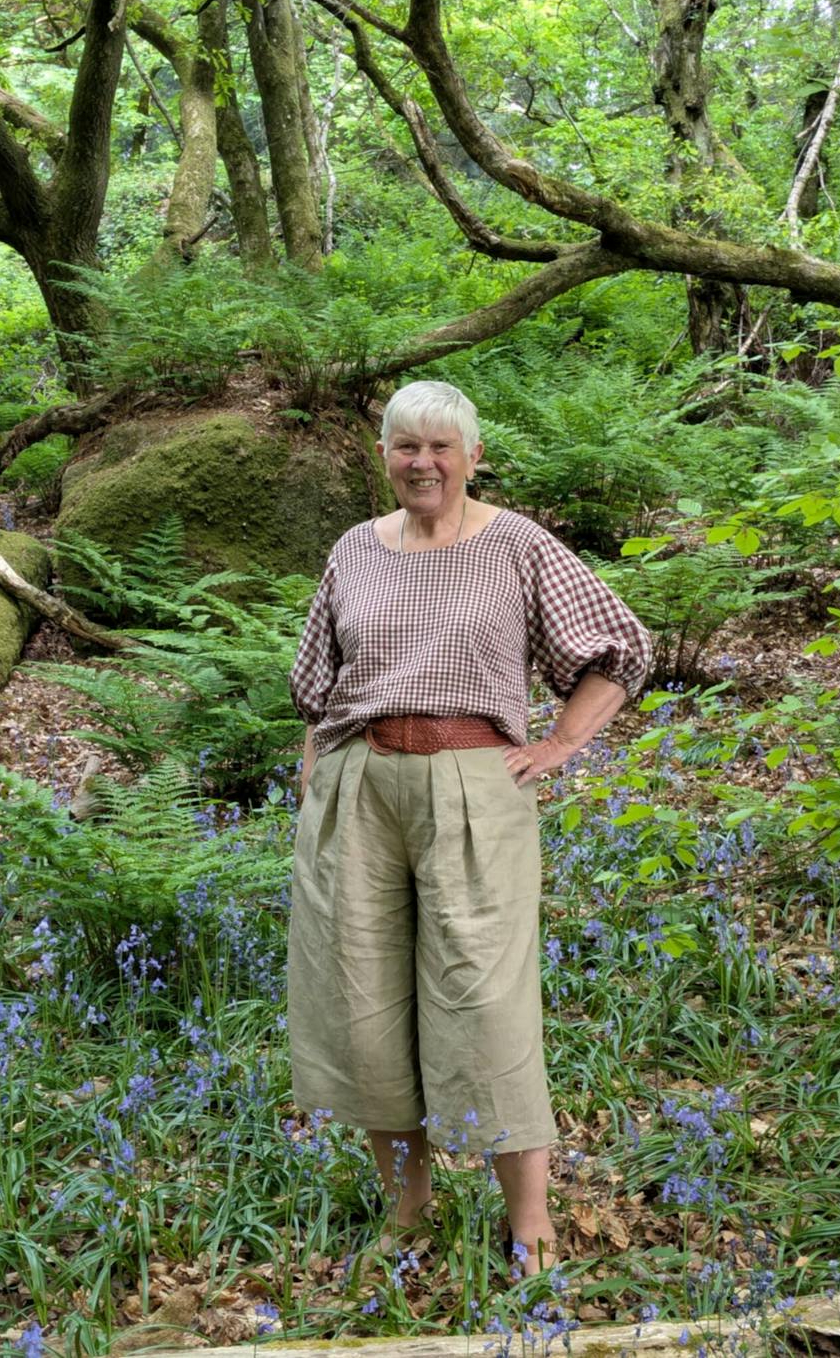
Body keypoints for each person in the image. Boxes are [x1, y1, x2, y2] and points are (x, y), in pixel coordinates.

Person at [288, 380, 652, 1272]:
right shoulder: (353, 549)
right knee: (362, 999)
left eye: (441, 447)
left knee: (486, 1001)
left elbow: (622, 647)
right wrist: (314, 778)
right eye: (406, 445)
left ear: (473, 456)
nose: (424, 463)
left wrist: (562, 742)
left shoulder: (516, 545)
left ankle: (531, 1220)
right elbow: (318, 688)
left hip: (474, 782)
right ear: (384, 455)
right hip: (358, 785)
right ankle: (408, 1210)